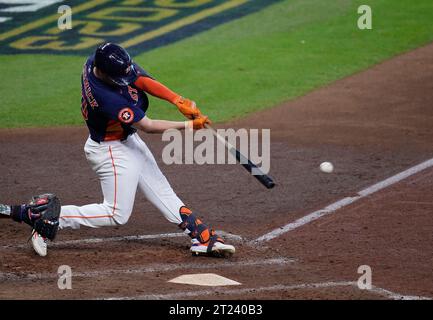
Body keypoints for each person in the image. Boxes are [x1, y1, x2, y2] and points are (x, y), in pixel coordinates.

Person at [30, 42, 235, 258]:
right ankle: (50, 219)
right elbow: (148, 126)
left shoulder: (96, 61)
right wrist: (189, 126)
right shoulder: (104, 98)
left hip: (127, 140)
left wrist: (178, 99)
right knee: (116, 213)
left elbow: (138, 77)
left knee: (161, 189)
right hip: (110, 151)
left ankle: (200, 236)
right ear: (104, 73)